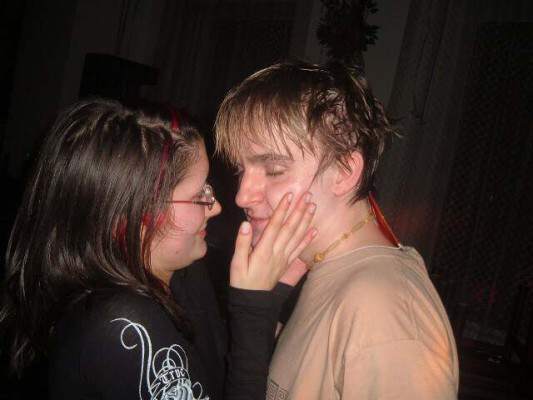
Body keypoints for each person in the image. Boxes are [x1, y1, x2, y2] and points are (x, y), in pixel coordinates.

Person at [0, 98, 317, 400]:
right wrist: (252, 310)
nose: (216, 206)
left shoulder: (182, 274)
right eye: (198, 195)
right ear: (133, 217)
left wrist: (271, 295)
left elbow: (220, 372)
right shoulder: (122, 324)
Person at [215, 61, 459, 399]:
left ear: (345, 171)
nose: (242, 196)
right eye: (241, 169)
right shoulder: (321, 268)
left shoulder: (382, 311)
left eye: (273, 170)